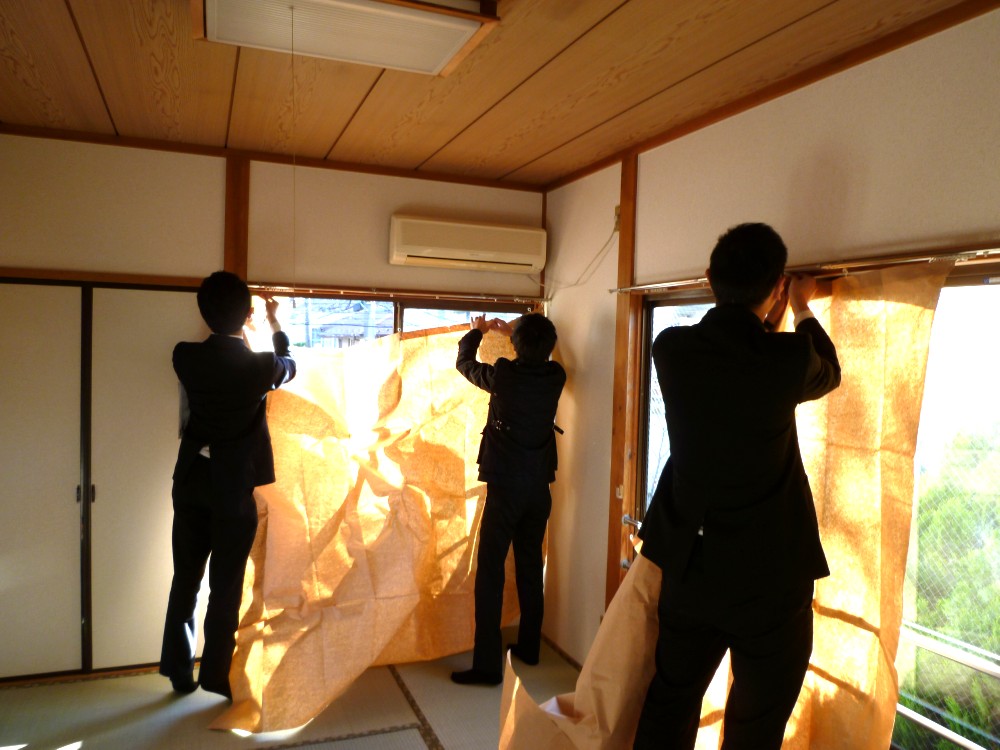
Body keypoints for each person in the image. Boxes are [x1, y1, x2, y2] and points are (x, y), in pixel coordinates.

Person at [633, 223, 841, 749]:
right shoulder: (789, 358)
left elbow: (732, 363)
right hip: (771, 581)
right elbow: (829, 371)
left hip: (692, 568)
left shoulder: (670, 348)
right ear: (778, 287)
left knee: (670, 703)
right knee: (755, 726)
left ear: (709, 277)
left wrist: (771, 311)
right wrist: (801, 307)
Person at [159, 271, 296, 699]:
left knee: (185, 577)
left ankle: (178, 670)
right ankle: (215, 676)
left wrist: (242, 327)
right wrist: (273, 323)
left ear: (202, 312)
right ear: (248, 312)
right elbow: (289, 364)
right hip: (232, 488)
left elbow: (217, 362)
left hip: (191, 481)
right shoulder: (261, 367)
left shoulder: (184, 356)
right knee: (225, 586)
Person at [451, 313, 566, 686]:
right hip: (539, 488)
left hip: (505, 489)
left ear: (515, 345)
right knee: (530, 565)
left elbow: (464, 364)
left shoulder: (504, 375)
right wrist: (515, 331)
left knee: (491, 571)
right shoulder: (556, 377)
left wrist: (478, 332)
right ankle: (529, 648)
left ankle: (487, 666)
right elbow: (542, 350)